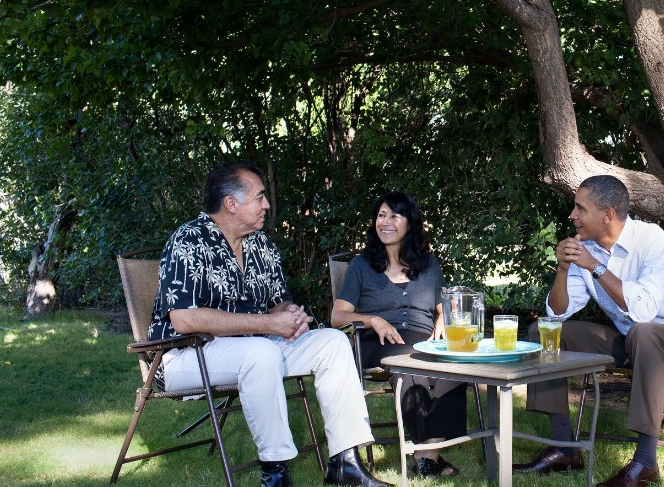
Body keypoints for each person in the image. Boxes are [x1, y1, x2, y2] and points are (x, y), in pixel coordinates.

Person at [148, 161, 390, 487]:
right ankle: (276, 474)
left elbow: (278, 300)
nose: (266, 205)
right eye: (259, 197)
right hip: (184, 354)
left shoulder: (260, 244)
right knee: (260, 352)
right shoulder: (190, 240)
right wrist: (268, 323)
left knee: (332, 341)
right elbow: (184, 318)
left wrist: (291, 314)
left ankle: (345, 464)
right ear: (231, 204)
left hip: (257, 347)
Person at [513, 175, 664, 487]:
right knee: (544, 330)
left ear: (607, 215)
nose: (572, 216)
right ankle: (566, 448)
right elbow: (558, 311)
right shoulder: (585, 249)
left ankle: (645, 462)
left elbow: (644, 312)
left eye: (580, 208)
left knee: (644, 332)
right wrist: (563, 270)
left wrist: (596, 267)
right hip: (629, 340)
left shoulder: (651, 240)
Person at [331, 191, 467, 478]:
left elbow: (444, 308)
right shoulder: (361, 266)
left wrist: (442, 319)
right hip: (376, 342)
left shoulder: (428, 265)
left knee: (457, 365)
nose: (386, 222)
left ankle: (427, 453)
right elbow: (338, 315)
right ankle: (430, 456)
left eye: (395, 215)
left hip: (421, 339)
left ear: (410, 223)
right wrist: (371, 319)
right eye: (381, 215)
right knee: (409, 364)